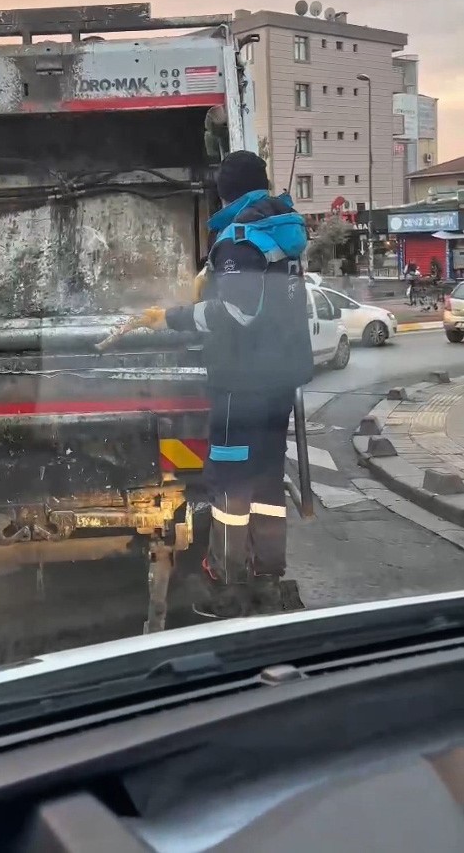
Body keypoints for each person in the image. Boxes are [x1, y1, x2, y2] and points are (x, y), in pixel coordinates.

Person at [139, 151, 314, 618]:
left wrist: (170, 317)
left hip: (241, 384)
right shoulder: (281, 229)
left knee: (231, 485)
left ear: (225, 190)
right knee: (266, 480)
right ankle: (267, 572)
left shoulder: (238, 240)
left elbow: (237, 313)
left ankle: (227, 578)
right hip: (278, 381)